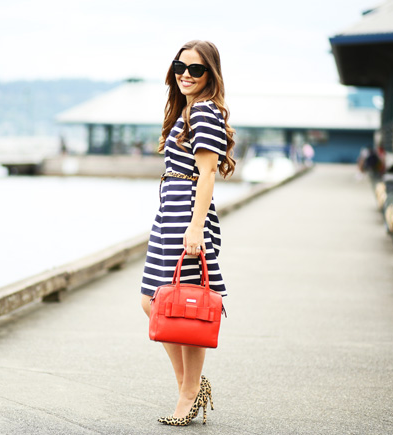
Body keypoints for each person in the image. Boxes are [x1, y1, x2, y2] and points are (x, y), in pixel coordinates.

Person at [140, 40, 236, 426]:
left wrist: (195, 228)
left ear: (210, 75)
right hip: (170, 214)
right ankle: (190, 386)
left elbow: (208, 173)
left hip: (187, 218)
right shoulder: (187, 110)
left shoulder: (205, 112)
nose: (185, 74)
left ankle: (189, 391)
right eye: (181, 66)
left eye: (196, 69)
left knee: (188, 309)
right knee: (154, 303)